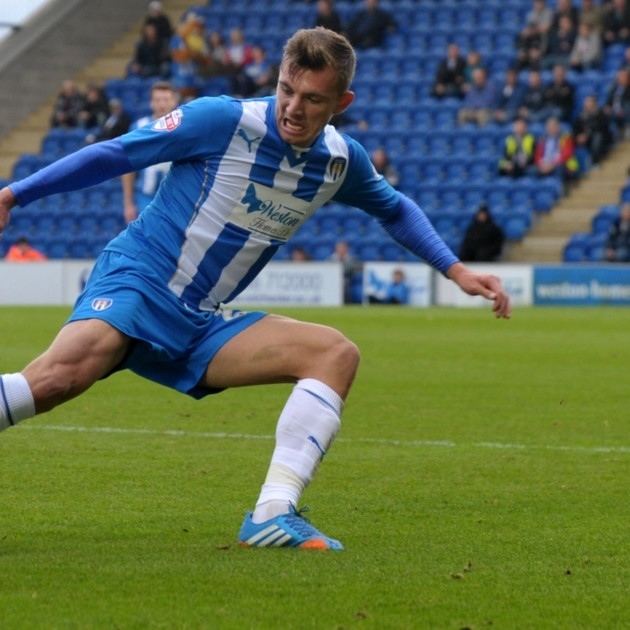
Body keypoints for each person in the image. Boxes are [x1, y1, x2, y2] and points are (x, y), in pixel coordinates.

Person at [0, 28, 510, 551]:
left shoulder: (339, 161)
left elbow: (396, 207)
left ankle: (272, 512)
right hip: (140, 279)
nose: (293, 108)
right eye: (288, 89)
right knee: (59, 378)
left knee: (334, 354)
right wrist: (15, 195)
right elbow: (116, 154)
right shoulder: (223, 119)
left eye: (313, 99)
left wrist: (455, 270)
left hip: (201, 320)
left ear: (342, 102)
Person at [121, 82, 179, 223]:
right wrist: (128, 203)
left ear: (174, 101)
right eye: (157, 100)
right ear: (151, 103)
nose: (162, 104)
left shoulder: (184, 127)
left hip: (175, 197)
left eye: (166, 100)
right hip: (146, 197)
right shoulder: (139, 128)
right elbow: (128, 168)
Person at [573, 94, 612, 165]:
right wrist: (578, 136)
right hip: (585, 138)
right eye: (586, 102)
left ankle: (595, 161)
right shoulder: (581, 115)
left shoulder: (600, 113)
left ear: (594, 103)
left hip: (599, 137)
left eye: (589, 102)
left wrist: (587, 135)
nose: (587, 104)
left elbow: (602, 128)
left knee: (597, 137)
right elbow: (576, 128)